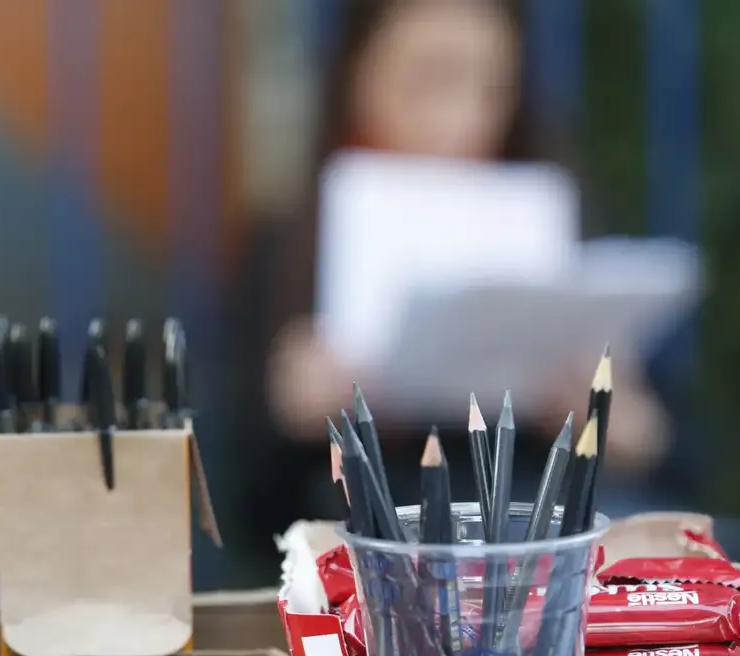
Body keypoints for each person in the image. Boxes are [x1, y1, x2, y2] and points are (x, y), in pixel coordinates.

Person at [220, 0, 675, 586]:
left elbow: (671, 452)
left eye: (491, 87)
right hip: (364, 578)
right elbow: (242, 510)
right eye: (429, 79)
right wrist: (291, 413)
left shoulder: (564, 221)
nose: (459, 117)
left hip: (537, 566)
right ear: (358, 73)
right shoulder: (289, 248)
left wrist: (618, 418)